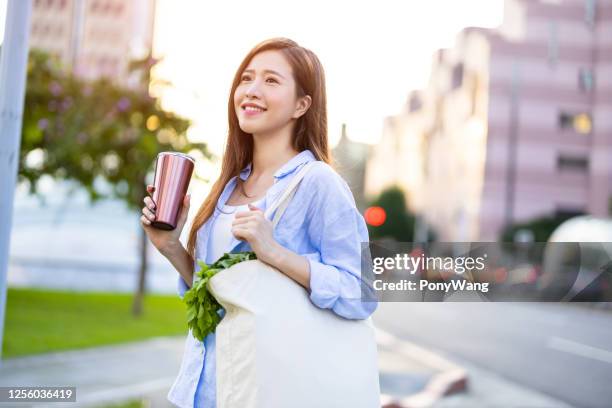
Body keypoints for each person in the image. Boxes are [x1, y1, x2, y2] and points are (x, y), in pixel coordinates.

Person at [141, 37, 377, 408]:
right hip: (207, 389)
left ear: (302, 104)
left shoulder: (317, 182)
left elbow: (361, 292)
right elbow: (217, 296)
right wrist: (170, 246)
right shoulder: (228, 187)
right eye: (246, 78)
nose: (251, 90)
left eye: (271, 80)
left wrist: (274, 252)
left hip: (272, 391)